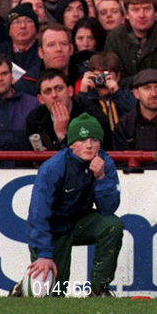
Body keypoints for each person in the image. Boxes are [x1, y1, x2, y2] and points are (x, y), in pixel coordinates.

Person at [16, 113, 123, 297]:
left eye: (94, 139)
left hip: (79, 222)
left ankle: (99, 289)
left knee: (113, 225)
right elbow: (38, 215)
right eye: (82, 140)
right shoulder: (53, 167)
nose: (89, 145)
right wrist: (44, 254)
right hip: (53, 229)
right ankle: (21, 290)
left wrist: (102, 178)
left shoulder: (104, 162)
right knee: (52, 294)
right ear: (71, 143)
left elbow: (108, 209)